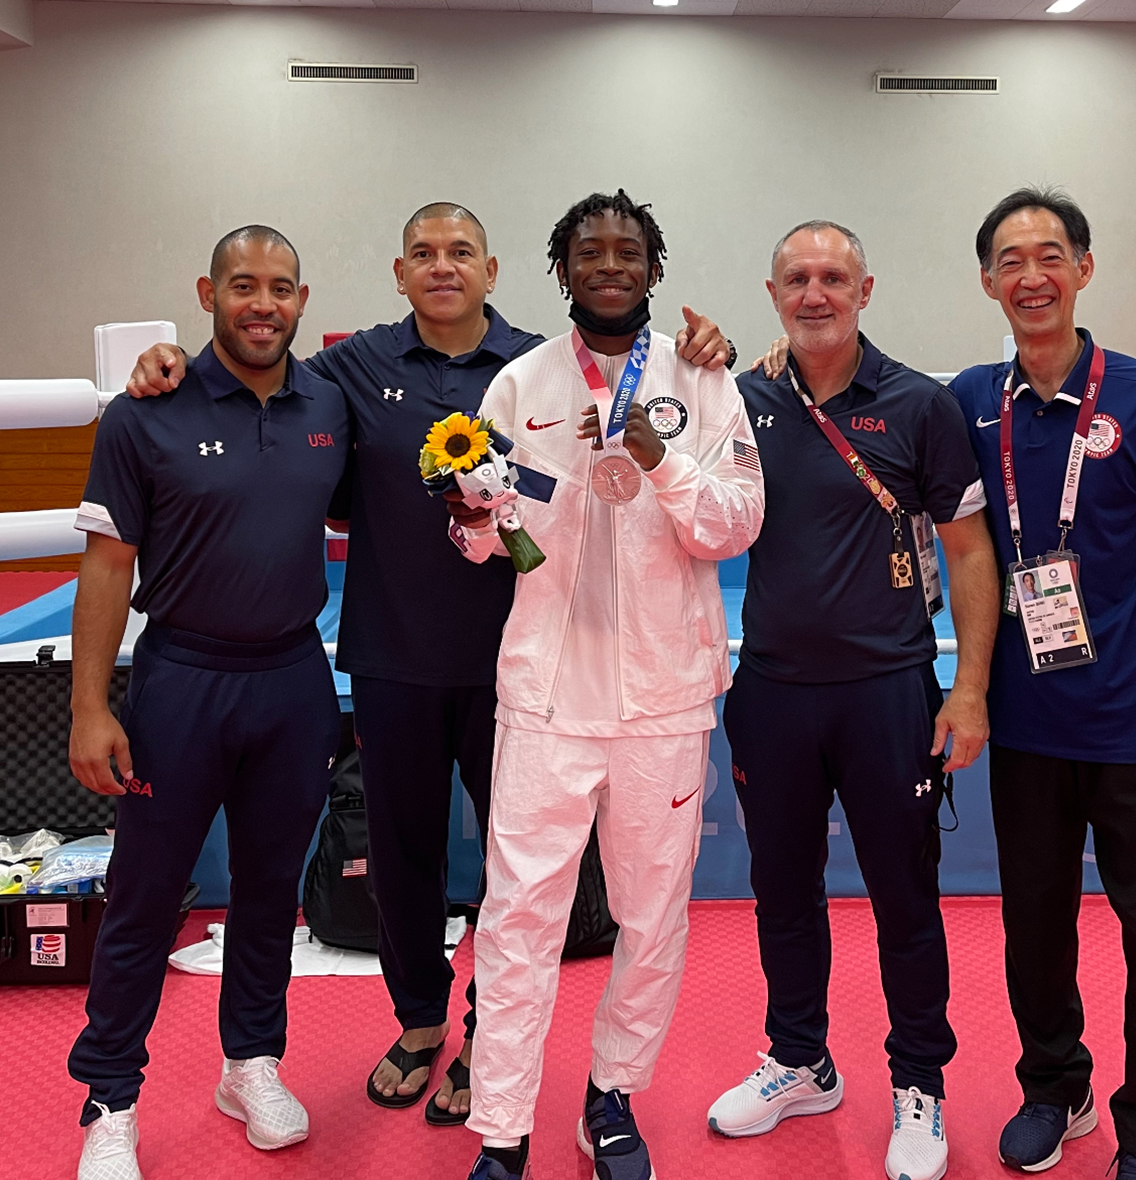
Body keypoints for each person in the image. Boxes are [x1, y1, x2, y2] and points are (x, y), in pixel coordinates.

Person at [125, 204, 732, 1126]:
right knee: (399, 854)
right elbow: (255, 366)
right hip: (393, 652)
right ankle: (418, 1022)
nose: (441, 268)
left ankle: (493, 1041)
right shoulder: (348, 370)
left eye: (459, 254)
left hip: (521, 669)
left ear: (494, 270)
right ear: (398, 272)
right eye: (423, 255)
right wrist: (170, 364)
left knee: (513, 874)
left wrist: (721, 347)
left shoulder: (540, 366)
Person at [445, 189, 764, 1180]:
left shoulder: (701, 375)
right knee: (516, 919)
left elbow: (735, 525)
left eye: (630, 251)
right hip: (545, 700)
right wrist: (472, 510)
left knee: (650, 915)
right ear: (562, 269)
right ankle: (500, 1127)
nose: (611, 264)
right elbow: (480, 548)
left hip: (664, 698)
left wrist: (662, 461)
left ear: (654, 269)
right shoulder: (520, 382)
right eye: (591, 252)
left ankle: (610, 1095)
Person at [706, 221, 998, 1180]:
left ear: (866, 290)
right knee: (781, 896)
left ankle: (920, 1084)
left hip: (888, 696)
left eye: (835, 277)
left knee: (904, 902)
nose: (816, 293)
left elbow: (967, 555)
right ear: (772, 290)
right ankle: (800, 1059)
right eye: (798, 278)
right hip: (773, 696)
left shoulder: (920, 405)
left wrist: (968, 691)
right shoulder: (738, 400)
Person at [950, 187, 1136, 1180]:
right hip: (1026, 724)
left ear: (1083, 268)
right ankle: (1054, 1084)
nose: (1031, 275)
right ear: (987, 281)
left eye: (1050, 254)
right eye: (1010, 260)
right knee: (1033, 926)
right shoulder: (969, 401)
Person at [68, 226, 349, 1180]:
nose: (261, 304)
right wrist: (88, 708)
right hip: (181, 680)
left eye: (279, 288)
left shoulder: (331, 402)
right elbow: (106, 567)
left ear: (302, 301)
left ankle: (249, 1062)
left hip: (293, 680)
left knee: (273, 895)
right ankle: (110, 1098)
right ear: (208, 292)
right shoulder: (145, 408)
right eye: (242, 286)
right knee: (147, 898)